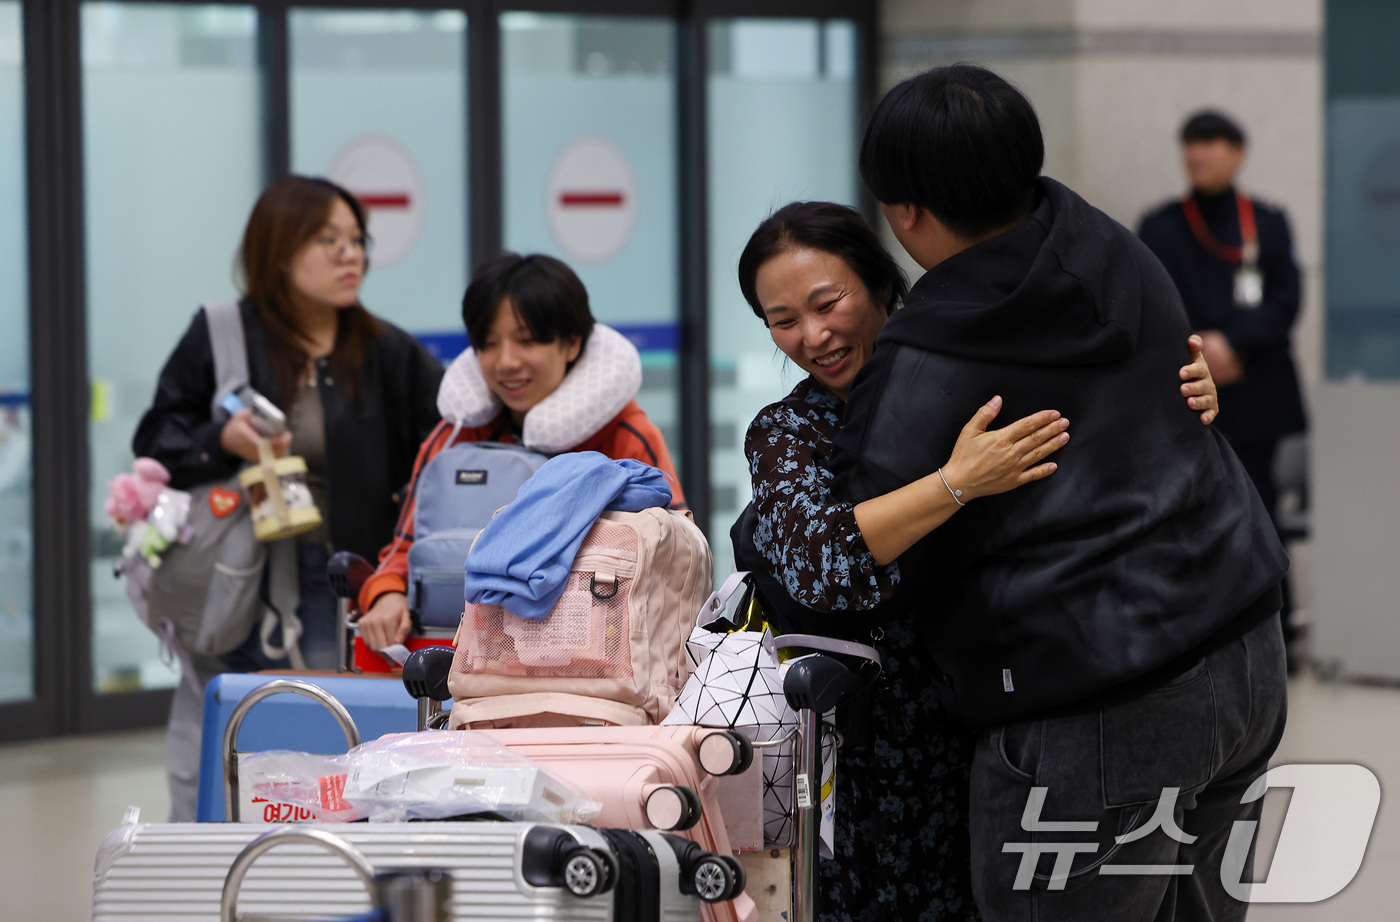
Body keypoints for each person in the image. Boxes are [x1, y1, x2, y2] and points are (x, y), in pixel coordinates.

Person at [817, 64, 1286, 922]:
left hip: (1098, 698)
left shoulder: (928, 355)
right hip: (1244, 643)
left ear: (905, 212)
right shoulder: (1114, 248)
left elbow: (858, 561)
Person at [730, 202, 1220, 921]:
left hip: (1025, 722)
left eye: (827, 304)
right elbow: (823, 564)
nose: (813, 336)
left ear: (879, 281)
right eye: (782, 320)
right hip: (877, 750)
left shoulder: (974, 375)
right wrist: (956, 483)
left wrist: (1183, 386)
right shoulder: (788, 431)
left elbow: (1110, 428)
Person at [133, 175, 444, 819]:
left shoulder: (389, 353)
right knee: (226, 736)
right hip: (235, 576)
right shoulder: (221, 334)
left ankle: (315, 867)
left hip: (341, 586)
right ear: (278, 251)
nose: (350, 255)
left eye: (356, 240)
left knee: (326, 745)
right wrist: (223, 440)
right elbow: (157, 438)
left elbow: (438, 458)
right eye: (328, 240)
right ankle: (215, 859)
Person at [355, 252, 685, 654]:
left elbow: (675, 557)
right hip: (454, 654)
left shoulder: (627, 436)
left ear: (572, 343)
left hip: (588, 660)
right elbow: (403, 548)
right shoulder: (453, 434)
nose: (507, 362)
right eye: (488, 344)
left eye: (527, 341)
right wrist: (386, 595)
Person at [1138, 110, 1307, 664]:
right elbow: (1149, 302)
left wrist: (1233, 345)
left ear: (1236, 153)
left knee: (1261, 513)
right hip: (1187, 393)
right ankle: (1202, 641)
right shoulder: (1160, 226)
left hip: (1254, 392)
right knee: (1191, 517)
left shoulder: (1267, 222)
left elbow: (1286, 301)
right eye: (1191, 144)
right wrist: (1201, 349)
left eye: (1210, 144)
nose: (1198, 154)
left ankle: (1276, 638)